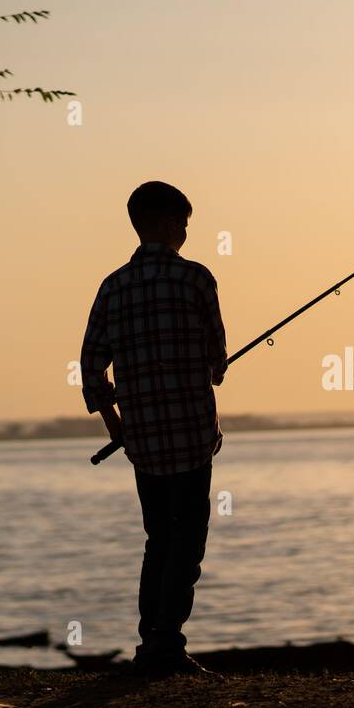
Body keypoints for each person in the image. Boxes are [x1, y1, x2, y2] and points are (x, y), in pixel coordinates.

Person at [79, 181, 227, 678]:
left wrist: (115, 424)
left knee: (158, 539)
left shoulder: (112, 286)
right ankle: (166, 644)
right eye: (184, 223)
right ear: (168, 224)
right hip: (190, 436)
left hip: (142, 441)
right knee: (188, 543)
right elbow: (217, 361)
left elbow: (91, 365)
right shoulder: (196, 280)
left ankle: (152, 643)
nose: (186, 231)